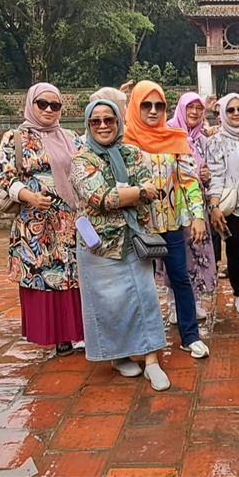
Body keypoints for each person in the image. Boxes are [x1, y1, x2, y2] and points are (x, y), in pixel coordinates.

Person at [70, 99, 171, 390]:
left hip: (135, 239)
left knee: (146, 299)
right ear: (88, 125)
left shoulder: (132, 152)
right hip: (100, 246)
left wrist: (130, 192)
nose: (103, 126)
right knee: (110, 304)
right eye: (95, 121)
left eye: (109, 120)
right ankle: (119, 356)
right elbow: (100, 198)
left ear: (118, 122)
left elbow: (152, 189)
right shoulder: (82, 160)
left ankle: (152, 360)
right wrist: (135, 191)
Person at [124, 81, 211, 359]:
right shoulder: (124, 141)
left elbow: (189, 180)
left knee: (180, 278)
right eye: (145, 105)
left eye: (158, 105)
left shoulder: (175, 138)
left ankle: (190, 336)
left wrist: (197, 216)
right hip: (137, 226)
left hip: (172, 224)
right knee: (138, 283)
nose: (152, 110)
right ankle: (140, 340)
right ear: (135, 107)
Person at [0, 83, 84, 357]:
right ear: (31, 105)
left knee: (75, 276)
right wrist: (28, 196)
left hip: (71, 220)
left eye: (55, 105)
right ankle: (58, 336)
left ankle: (80, 331)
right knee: (46, 277)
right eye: (42, 104)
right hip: (36, 223)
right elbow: (6, 177)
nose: (48, 110)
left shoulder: (72, 137)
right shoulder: (16, 138)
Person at [163, 92, 217, 320]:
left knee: (196, 254)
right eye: (190, 108)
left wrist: (206, 176)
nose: (194, 112)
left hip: (196, 208)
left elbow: (206, 176)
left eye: (199, 109)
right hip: (173, 208)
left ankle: (192, 302)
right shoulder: (167, 134)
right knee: (176, 257)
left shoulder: (202, 140)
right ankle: (175, 304)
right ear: (181, 109)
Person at [206, 93, 239, 315]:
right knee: (236, 252)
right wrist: (214, 206)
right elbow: (216, 175)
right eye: (230, 110)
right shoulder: (217, 140)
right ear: (223, 114)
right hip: (234, 206)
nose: (236, 114)